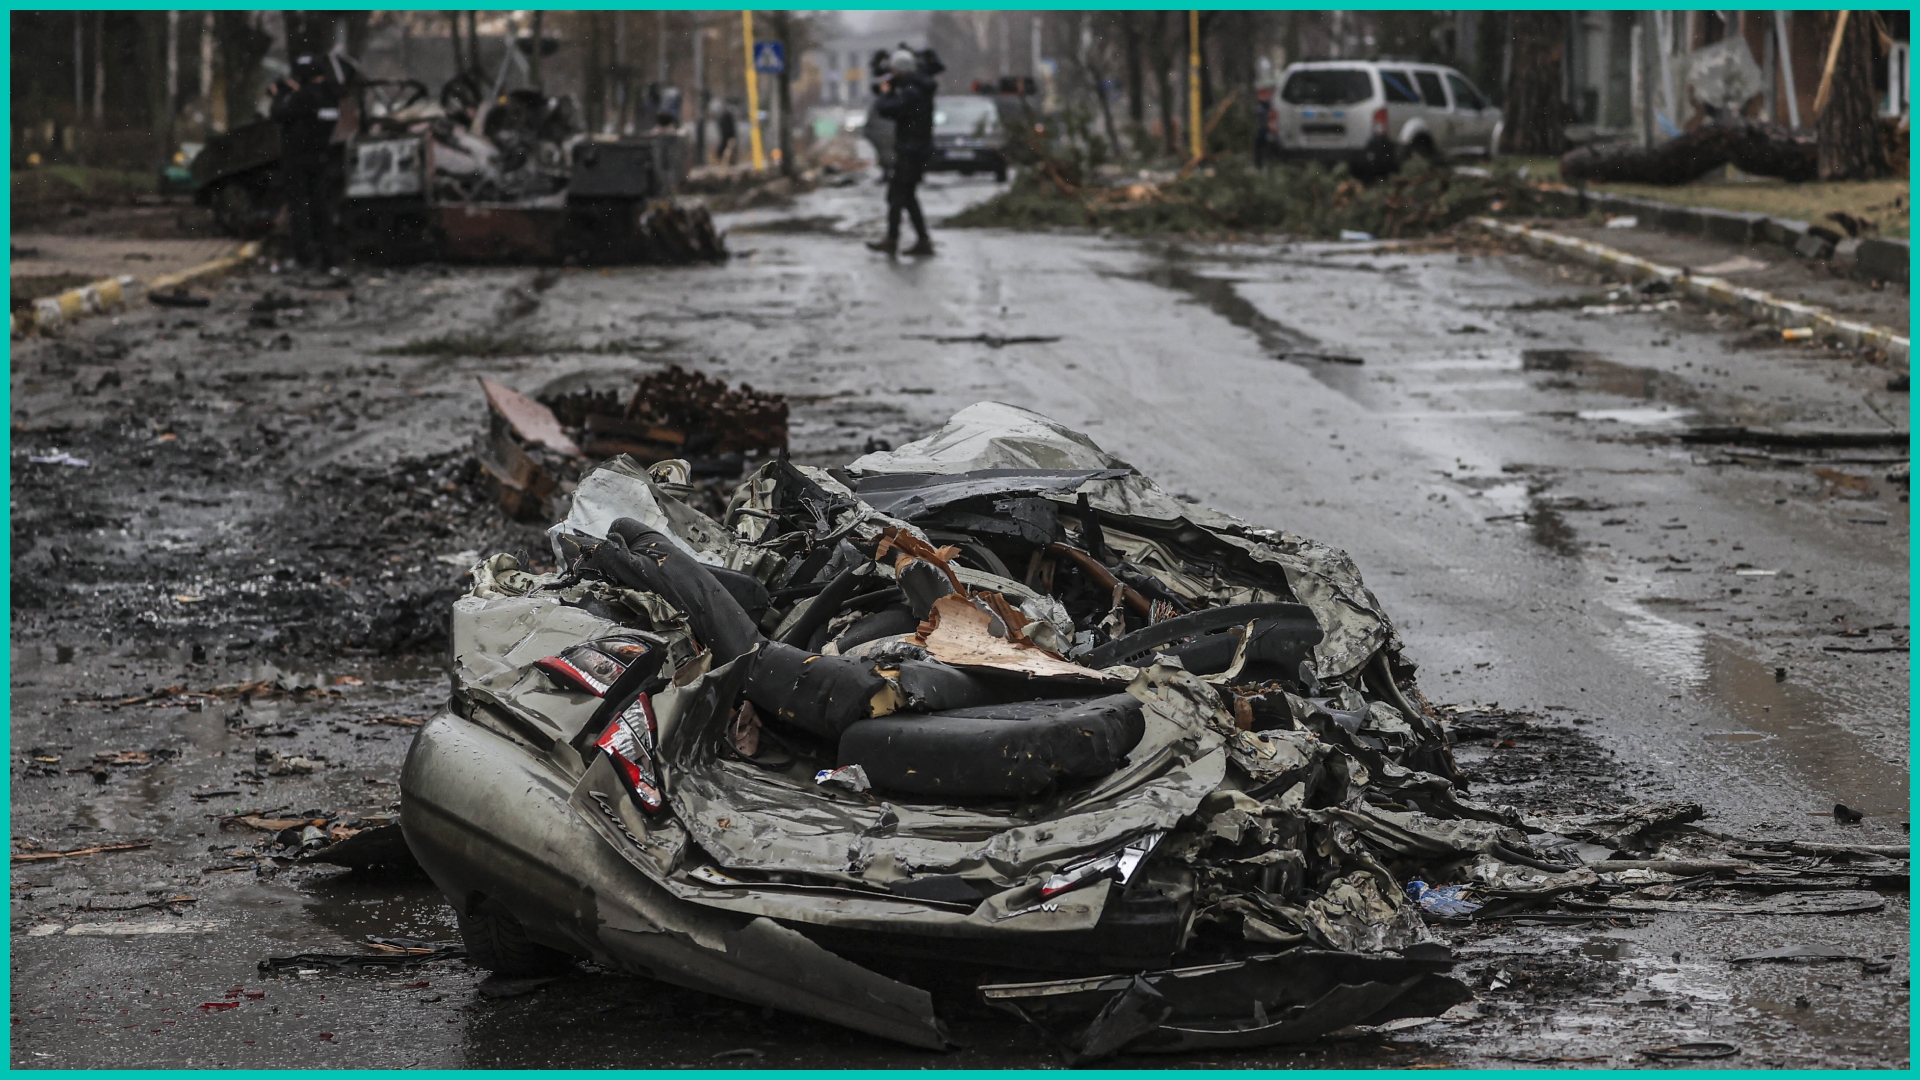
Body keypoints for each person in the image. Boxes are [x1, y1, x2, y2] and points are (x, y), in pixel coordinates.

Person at [268, 55, 343, 273]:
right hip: (320, 157)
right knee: (321, 207)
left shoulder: (304, 98)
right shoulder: (330, 95)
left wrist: (280, 94)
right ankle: (328, 257)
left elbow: (278, 113)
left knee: (299, 208)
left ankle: (304, 256)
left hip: (297, 159)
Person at [866, 48, 935, 257]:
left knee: (898, 195)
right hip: (914, 149)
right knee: (905, 196)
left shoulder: (913, 92)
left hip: (911, 151)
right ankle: (918, 239)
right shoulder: (918, 87)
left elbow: (888, 109)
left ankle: (896, 239)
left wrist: (887, 92)